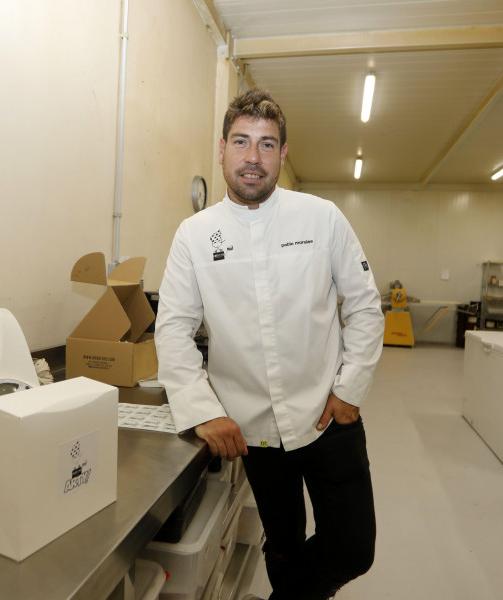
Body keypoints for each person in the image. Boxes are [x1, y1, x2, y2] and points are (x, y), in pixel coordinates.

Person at [155, 88, 385, 600]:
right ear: (221, 150)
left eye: (266, 144)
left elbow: (366, 305)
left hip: (328, 417)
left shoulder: (321, 218)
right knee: (282, 541)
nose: (252, 157)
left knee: (353, 547)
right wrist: (200, 408)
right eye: (241, 142)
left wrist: (350, 390)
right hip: (253, 429)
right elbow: (172, 327)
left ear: (283, 154)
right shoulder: (195, 235)